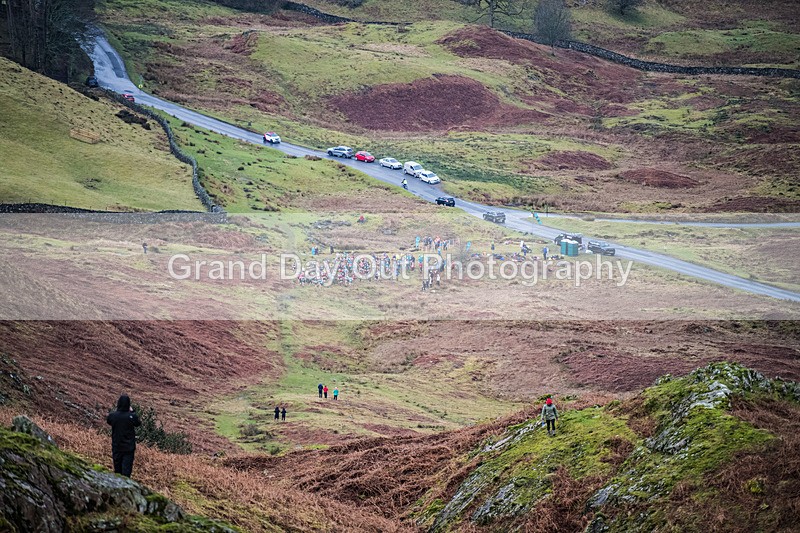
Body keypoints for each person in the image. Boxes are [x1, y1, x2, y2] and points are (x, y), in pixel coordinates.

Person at [106, 394, 141, 478]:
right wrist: (132, 412)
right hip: (129, 448)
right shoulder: (131, 416)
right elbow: (138, 423)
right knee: (126, 471)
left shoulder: (113, 416)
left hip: (116, 446)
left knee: (117, 470)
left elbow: (109, 421)